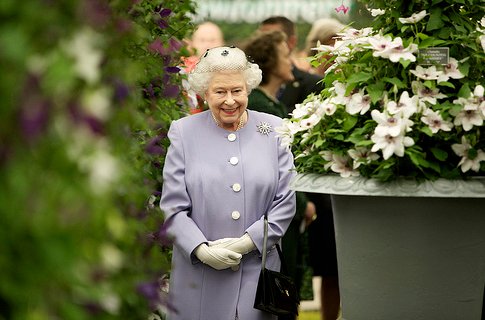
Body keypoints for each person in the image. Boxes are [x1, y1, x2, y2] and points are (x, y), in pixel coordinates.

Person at [159, 46, 297, 320]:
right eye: (219, 92)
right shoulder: (183, 132)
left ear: (248, 89)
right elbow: (173, 208)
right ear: (204, 93)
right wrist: (201, 249)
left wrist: (247, 243)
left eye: (237, 90)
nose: (230, 101)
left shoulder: (275, 129)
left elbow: (286, 201)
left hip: (257, 275)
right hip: (198, 275)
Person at [259, 16, 341, 320]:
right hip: (281, 193)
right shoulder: (250, 93)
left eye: (273, 43)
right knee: (282, 266)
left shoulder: (311, 84)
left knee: (327, 267)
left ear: (290, 43)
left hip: (313, 193)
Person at [243, 30, 314, 317]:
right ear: (270, 62)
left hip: (289, 212)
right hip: (275, 216)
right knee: (277, 294)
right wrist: (299, 202)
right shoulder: (259, 106)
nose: (292, 62)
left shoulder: (271, 103)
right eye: (286, 55)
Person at [259, 16, 323, 114]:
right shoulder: (249, 85)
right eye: (261, 39)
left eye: (273, 40)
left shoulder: (315, 85)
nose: (264, 46)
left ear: (292, 42)